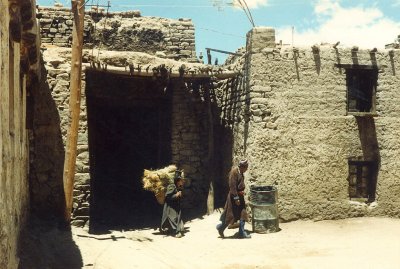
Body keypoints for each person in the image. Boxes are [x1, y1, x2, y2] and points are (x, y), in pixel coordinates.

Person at [217, 160, 251, 239]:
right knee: (231, 215)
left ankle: (241, 233)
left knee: (243, 213)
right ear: (242, 167)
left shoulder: (241, 172)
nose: (246, 169)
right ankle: (221, 228)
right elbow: (232, 186)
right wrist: (236, 198)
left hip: (240, 197)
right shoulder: (234, 172)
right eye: (246, 168)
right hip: (233, 198)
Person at [161, 170, 185, 238]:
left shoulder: (178, 187)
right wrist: (176, 195)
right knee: (173, 218)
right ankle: (177, 232)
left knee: (177, 218)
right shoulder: (172, 186)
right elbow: (168, 197)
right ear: (178, 180)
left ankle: (176, 230)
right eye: (182, 180)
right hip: (170, 207)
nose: (183, 181)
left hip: (176, 206)